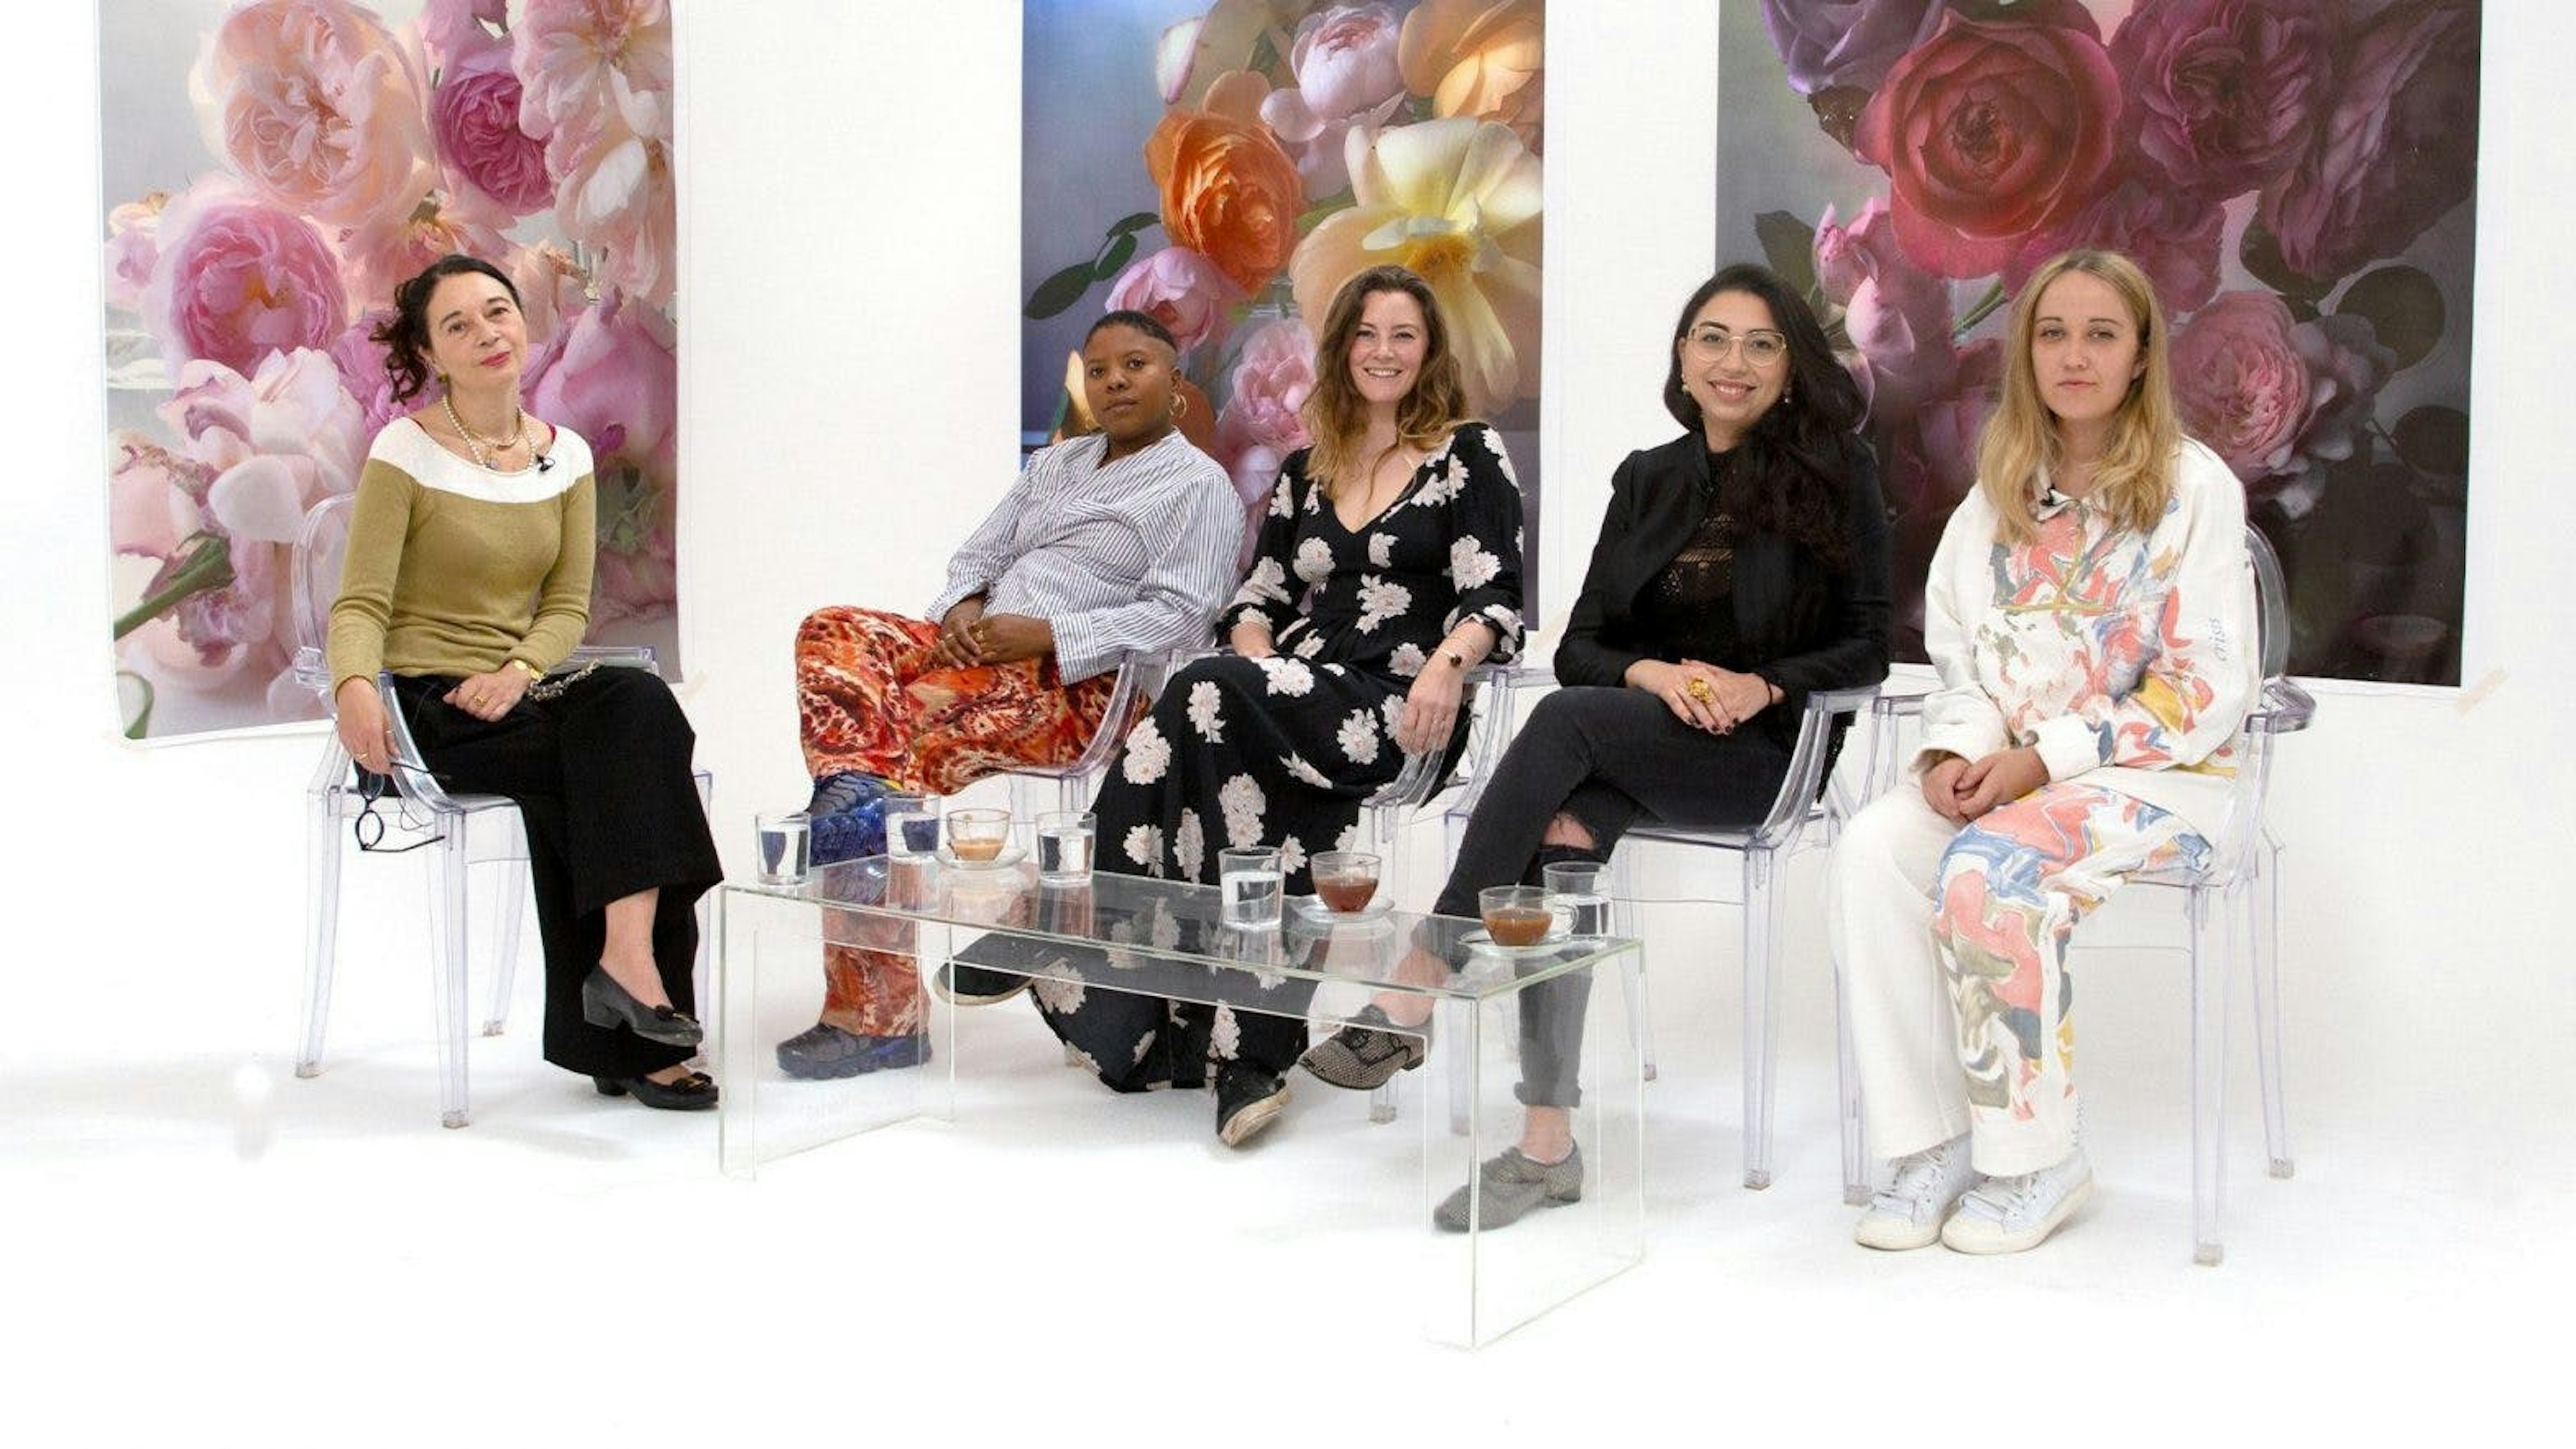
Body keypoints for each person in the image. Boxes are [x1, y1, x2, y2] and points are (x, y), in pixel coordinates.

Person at [1300, 263, 1891, 1229]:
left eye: (1761, 344)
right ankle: (1548, 1146)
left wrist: (1764, 684)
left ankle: (1424, 975)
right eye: (1713, 338)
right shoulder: (1648, 478)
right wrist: (1653, 675)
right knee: (1561, 840)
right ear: (1683, 356)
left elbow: (1869, 641)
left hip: (1767, 755)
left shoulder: (1839, 472)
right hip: (1647, 742)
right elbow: (1582, 646)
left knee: (1566, 722)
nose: (1734, 362)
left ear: (1791, 366)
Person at [1029, 264, 1526, 1146]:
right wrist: (1257, 655)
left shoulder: (1468, 454)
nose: (1383, 351)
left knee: (1204, 689)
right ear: (1341, 350)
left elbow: (1495, 595)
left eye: (1403, 335)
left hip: (1397, 706)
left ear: (1430, 351)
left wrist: (1449, 666)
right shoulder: (1306, 469)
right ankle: (1238, 1060)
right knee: (1232, 752)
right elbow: (1256, 596)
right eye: (1366, 334)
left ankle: (1060, 928)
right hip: (1281, 697)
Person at [1829, 250, 2259, 1255]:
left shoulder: (2195, 489)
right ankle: (1934, 1140)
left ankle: (2037, 1158)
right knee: (1873, 849)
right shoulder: (2000, 495)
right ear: (2027, 354)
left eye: (2102, 334)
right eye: (2053, 334)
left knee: (1991, 868)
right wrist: (1956, 753)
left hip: (2161, 781)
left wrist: (2044, 760)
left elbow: (2206, 688)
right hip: (2021, 776)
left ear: (2142, 355)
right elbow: (1963, 662)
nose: (2075, 355)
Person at [774, 309, 1241, 1079]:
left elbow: (1183, 617)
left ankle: (878, 1019)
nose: (1115, 382)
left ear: (1177, 385)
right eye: (1099, 370)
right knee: (832, 632)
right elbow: (976, 557)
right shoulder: (1057, 464)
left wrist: (1047, 634)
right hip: (982, 652)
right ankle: (853, 790)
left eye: (1136, 365)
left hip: (1086, 687)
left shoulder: (1199, 488)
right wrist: (964, 613)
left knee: (893, 743)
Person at [328, 254, 724, 1110]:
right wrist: (353, 686)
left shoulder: (566, 456)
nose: (486, 333)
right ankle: (638, 1026)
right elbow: (360, 602)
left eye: (497, 311)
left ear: (523, 320)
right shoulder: (405, 451)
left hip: (518, 694)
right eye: (457, 325)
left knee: (635, 711)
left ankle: (627, 968)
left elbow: (568, 608)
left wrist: (516, 672)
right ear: (430, 354)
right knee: (632, 763)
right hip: (432, 704)